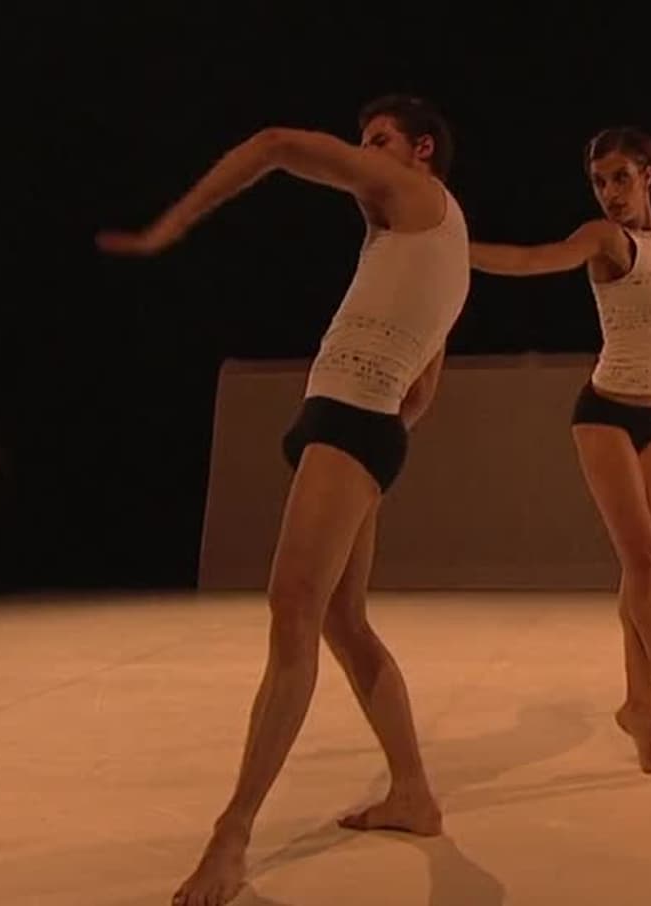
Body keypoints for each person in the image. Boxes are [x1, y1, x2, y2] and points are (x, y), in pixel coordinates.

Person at [98, 94, 470, 906]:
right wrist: (372, 429)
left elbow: (272, 143)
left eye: (378, 140)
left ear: (422, 152)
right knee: (341, 620)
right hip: (361, 425)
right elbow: (422, 392)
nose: (362, 153)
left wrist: (169, 228)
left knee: (293, 612)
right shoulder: (439, 245)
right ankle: (412, 791)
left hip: (350, 422)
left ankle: (231, 837)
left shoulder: (415, 197)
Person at [466, 126, 651, 780]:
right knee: (643, 563)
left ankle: (637, 705)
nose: (610, 193)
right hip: (607, 416)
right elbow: (533, 260)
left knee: (644, 573)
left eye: (621, 178)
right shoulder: (605, 239)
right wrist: (455, 246)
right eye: (600, 182)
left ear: (648, 176)